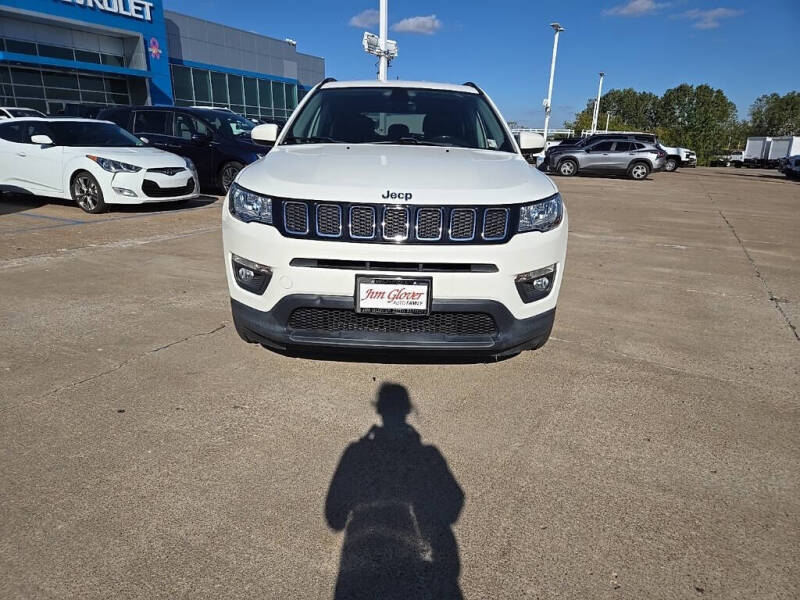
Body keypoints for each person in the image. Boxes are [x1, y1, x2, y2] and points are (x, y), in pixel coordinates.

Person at [325, 383, 464, 600]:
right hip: (414, 568)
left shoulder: (356, 454)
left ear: (378, 410)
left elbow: (335, 518)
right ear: (408, 411)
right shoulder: (428, 457)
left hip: (361, 571)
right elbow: (454, 504)